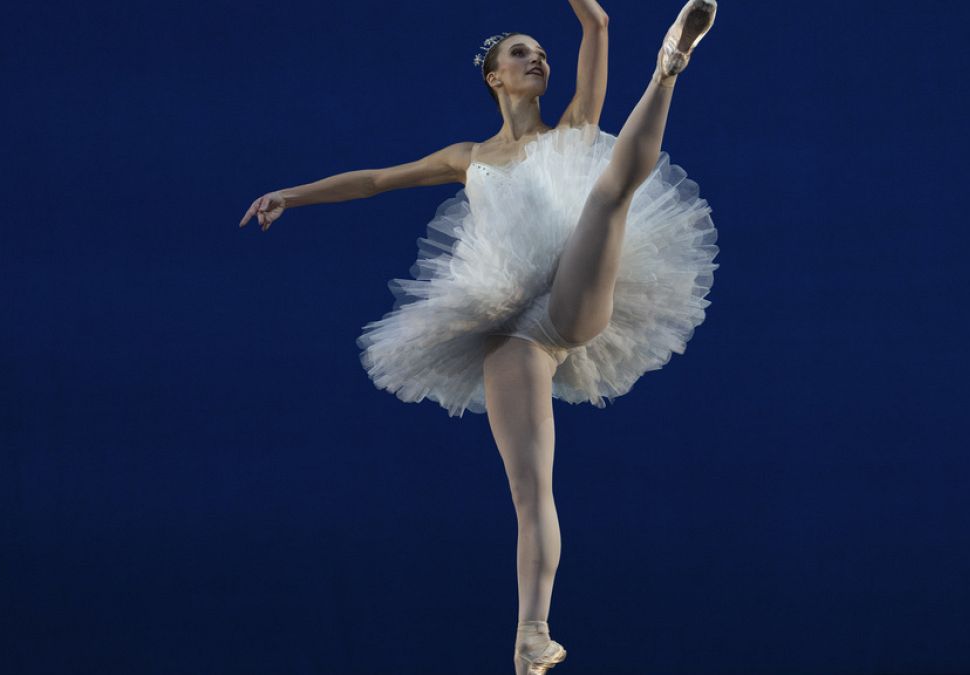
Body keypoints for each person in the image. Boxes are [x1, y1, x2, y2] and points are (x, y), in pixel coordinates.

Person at [239, 1, 718, 671]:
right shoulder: (467, 157)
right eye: (522, 52)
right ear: (495, 77)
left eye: (541, 52)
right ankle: (531, 634)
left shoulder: (572, 126)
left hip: (572, 296)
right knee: (530, 488)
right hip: (513, 329)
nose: (537, 59)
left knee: (610, 191)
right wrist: (291, 194)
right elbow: (375, 180)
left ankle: (669, 67)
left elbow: (598, 24)